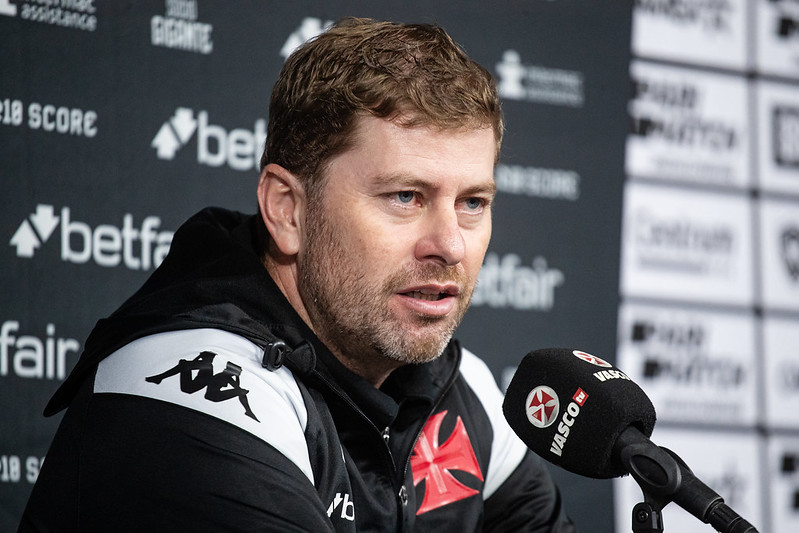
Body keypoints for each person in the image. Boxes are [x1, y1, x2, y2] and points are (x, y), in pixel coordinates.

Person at [19, 18, 577, 532]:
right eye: (406, 197)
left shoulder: (461, 387)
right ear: (289, 211)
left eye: (473, 202)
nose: (451, 244)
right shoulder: (189, 387)